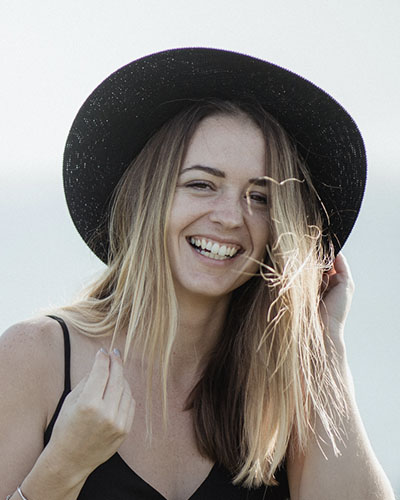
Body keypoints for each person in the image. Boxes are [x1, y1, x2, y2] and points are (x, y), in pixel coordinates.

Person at [0, 48, 394, 500]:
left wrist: (322, 348)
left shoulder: (283, 393)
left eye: (260, 197)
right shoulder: (37, 358)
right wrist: (63, 467)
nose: (230, 217)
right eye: (202, 184)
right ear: (147, 199)